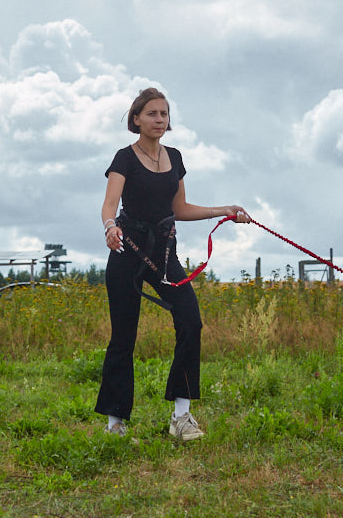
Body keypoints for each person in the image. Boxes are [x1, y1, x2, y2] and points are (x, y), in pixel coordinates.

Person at [96, 87, 249, 440]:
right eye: (152, 113)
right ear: (136, 119)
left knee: (190, 321)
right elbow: (109, 204)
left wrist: (224, 210)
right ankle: (115, 423)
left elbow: (180, 209)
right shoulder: (124, 158)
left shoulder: (175, 157)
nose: (159, 120)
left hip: (163, 255)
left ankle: (181, 417)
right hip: (127, 250)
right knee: (123, 337)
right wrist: (109, 227)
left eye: (164, 114)